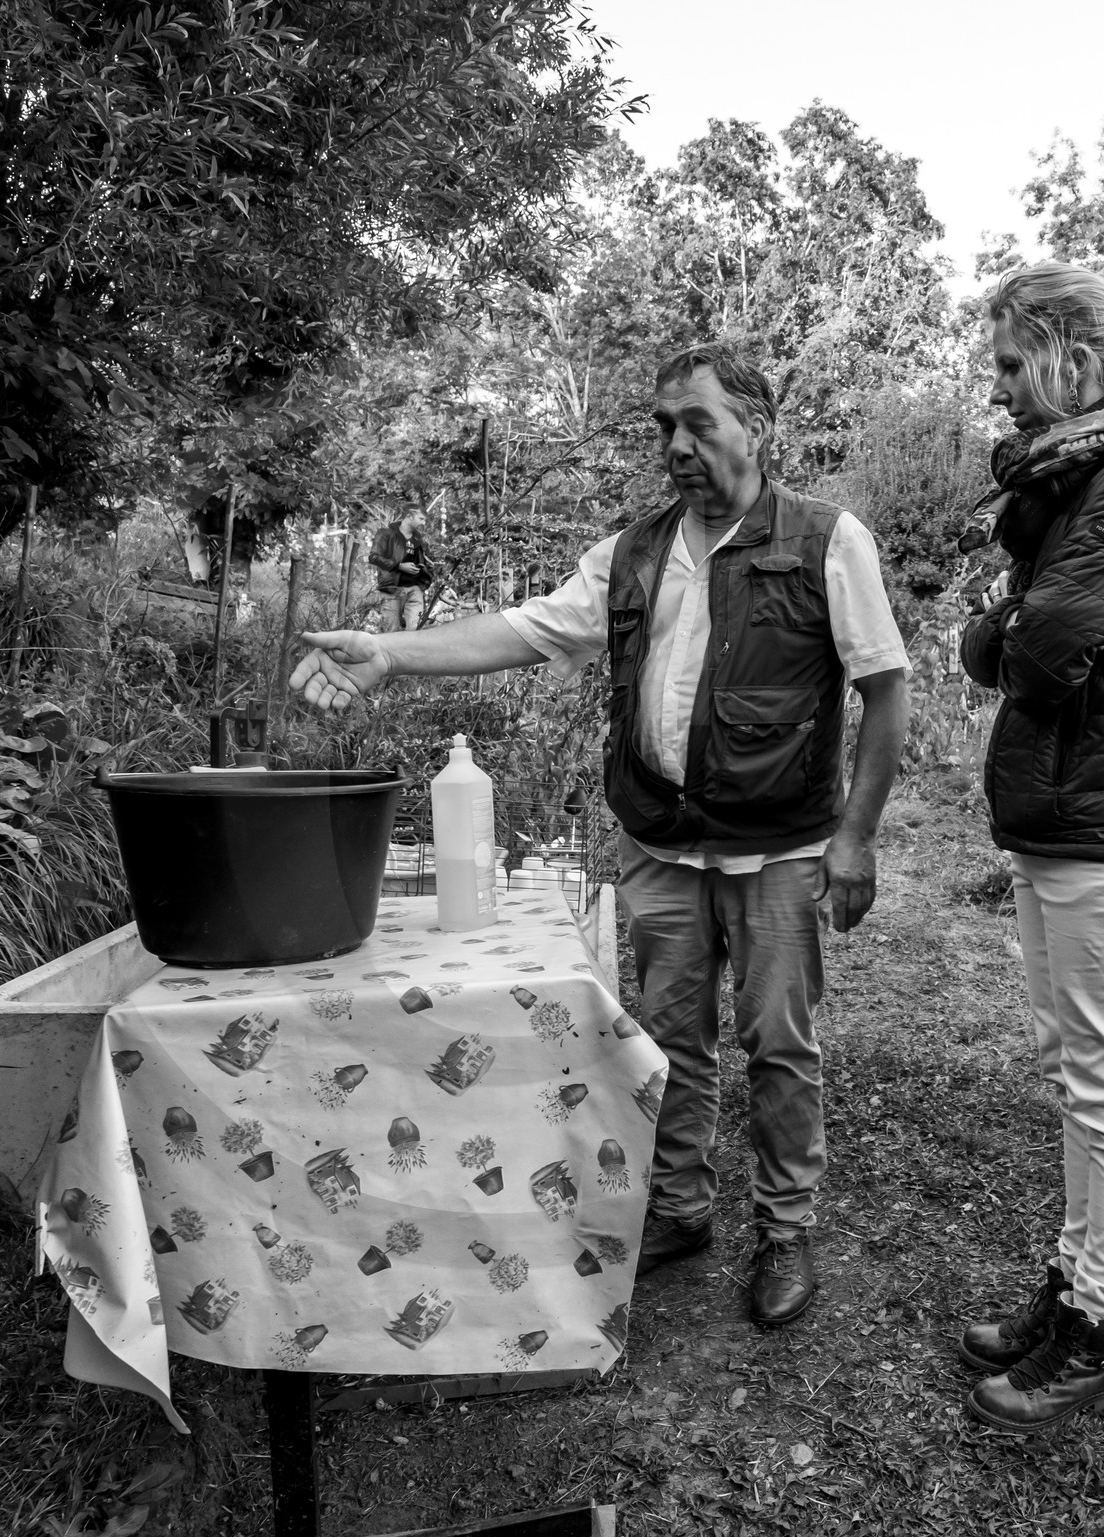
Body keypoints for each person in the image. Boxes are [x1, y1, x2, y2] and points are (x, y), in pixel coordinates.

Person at [291, 343, 911, 1329]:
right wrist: (390, 654)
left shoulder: (828, 542)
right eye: (663, 425)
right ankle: (680, 1208)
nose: (675, 444)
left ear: (759, 427)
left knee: (779, 1045)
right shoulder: (631, 553)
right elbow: (525, 630)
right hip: (661, 846)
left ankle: (785, 1227)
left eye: (697, 422)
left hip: (780, 847)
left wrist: (856, 837)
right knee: (671, 1040)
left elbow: (884, 688)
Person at [957, 261, 1104, 1434]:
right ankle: (1070, 1287)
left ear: (1075, 362)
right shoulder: (1078, 484)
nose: (998, 386)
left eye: (1011, 363)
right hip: (1066, 817)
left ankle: (1100, 1321)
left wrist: (1003, 626)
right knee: (1074, 1070)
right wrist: (1004, 628)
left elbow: (1040, 647)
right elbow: (1006, 640)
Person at [369, 509, 433, 632]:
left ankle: (412, 652)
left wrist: (426, 577)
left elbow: (422, 561)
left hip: (415, 589)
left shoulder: (417, 538)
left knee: (416, 630)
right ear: (409, 516)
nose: (424, 523)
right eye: (421, 519)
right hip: (392, 589)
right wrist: (399, 566)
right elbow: (374, 557)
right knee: (391, 630)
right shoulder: (385, 534)